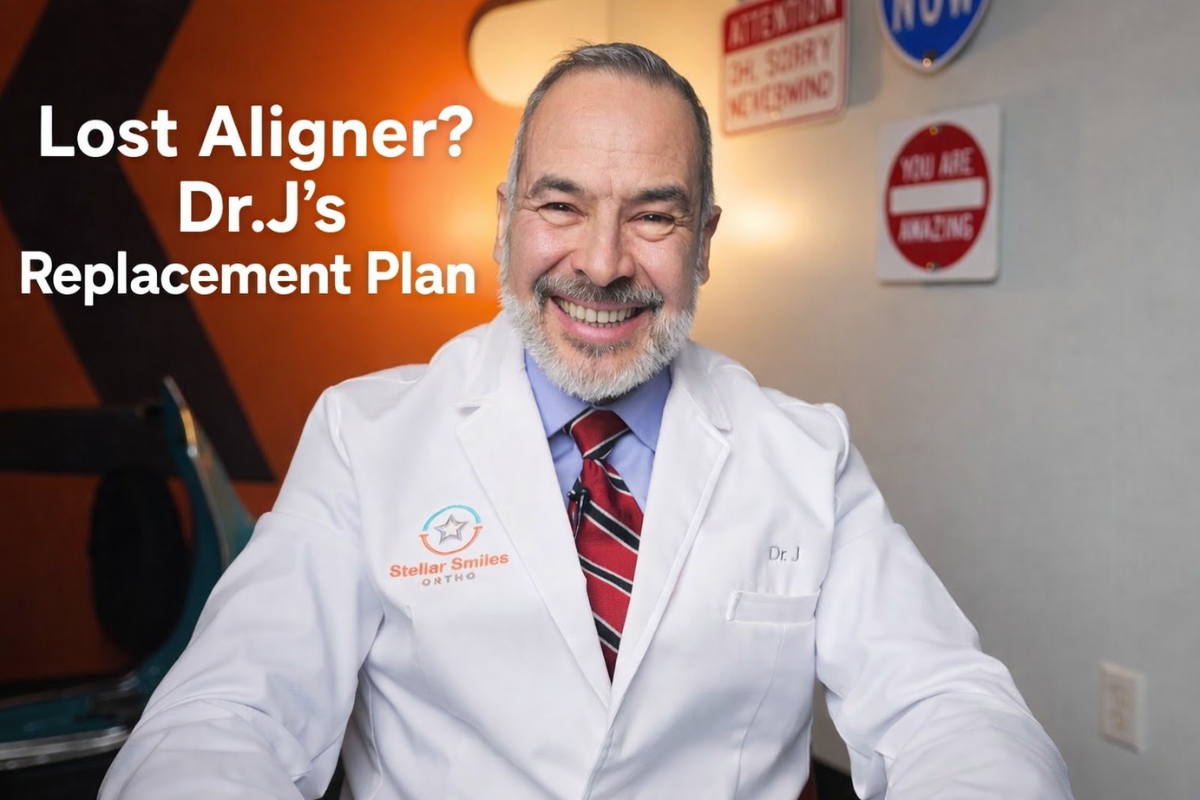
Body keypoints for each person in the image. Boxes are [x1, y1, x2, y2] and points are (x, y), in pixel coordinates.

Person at [100, 44, 1074, 799]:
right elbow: (234, 706)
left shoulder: (804, 452)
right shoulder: (367, 435)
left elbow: (945, 698)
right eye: (561, 204)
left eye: (654, 215)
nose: (602, 262)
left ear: (704, 245)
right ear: (507, 219)